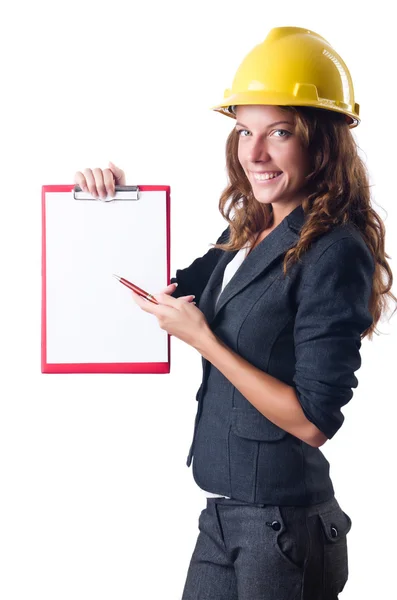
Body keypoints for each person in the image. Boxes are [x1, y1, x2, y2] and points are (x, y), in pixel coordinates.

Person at [74, 27, 396, 600]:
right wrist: (114, 208)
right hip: (223, 518)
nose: (254, 153)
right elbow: (161, 294)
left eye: (279, 132)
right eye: (245, 131)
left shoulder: (336, 249)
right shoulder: (251, 228)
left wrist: (207, 342)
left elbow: (314, 421)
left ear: (320, 142)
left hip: (284, 531)